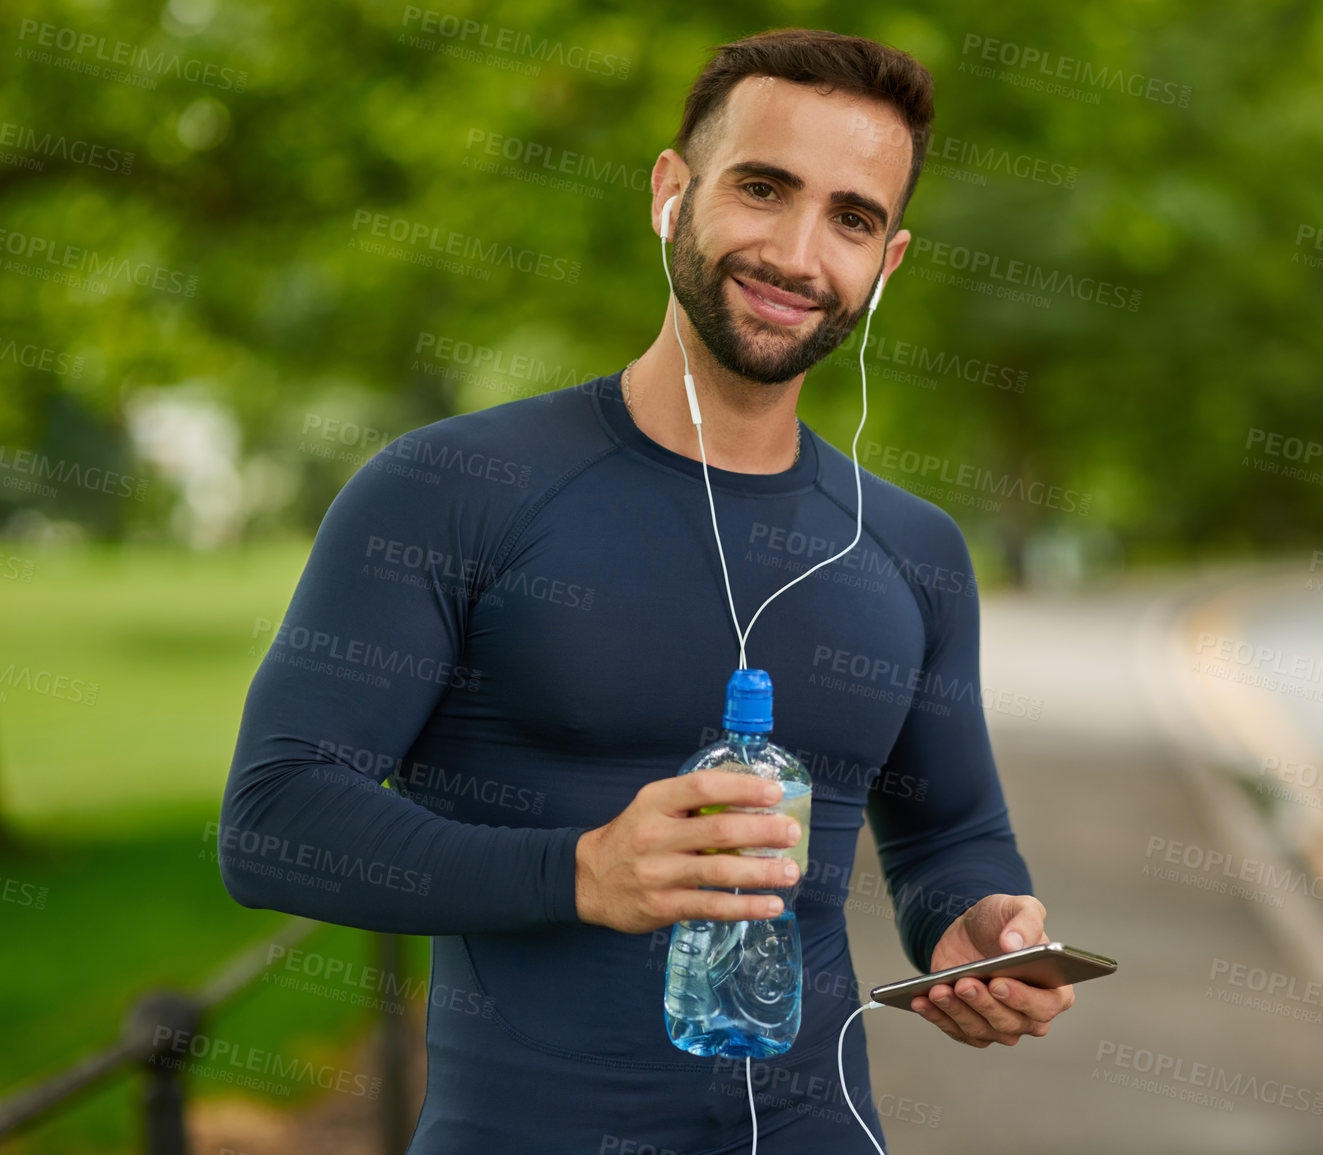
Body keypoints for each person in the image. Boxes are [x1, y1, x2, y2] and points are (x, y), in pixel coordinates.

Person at [219, 27, 1074, 1153]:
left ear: (889, 260)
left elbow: (951, 833)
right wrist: (577, 871)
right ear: (672, 194)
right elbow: (273, 820)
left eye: (850, 217)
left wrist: (972, 928)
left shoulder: (912, 549)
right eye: (762, 189)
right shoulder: (450, 491)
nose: (796, 252)